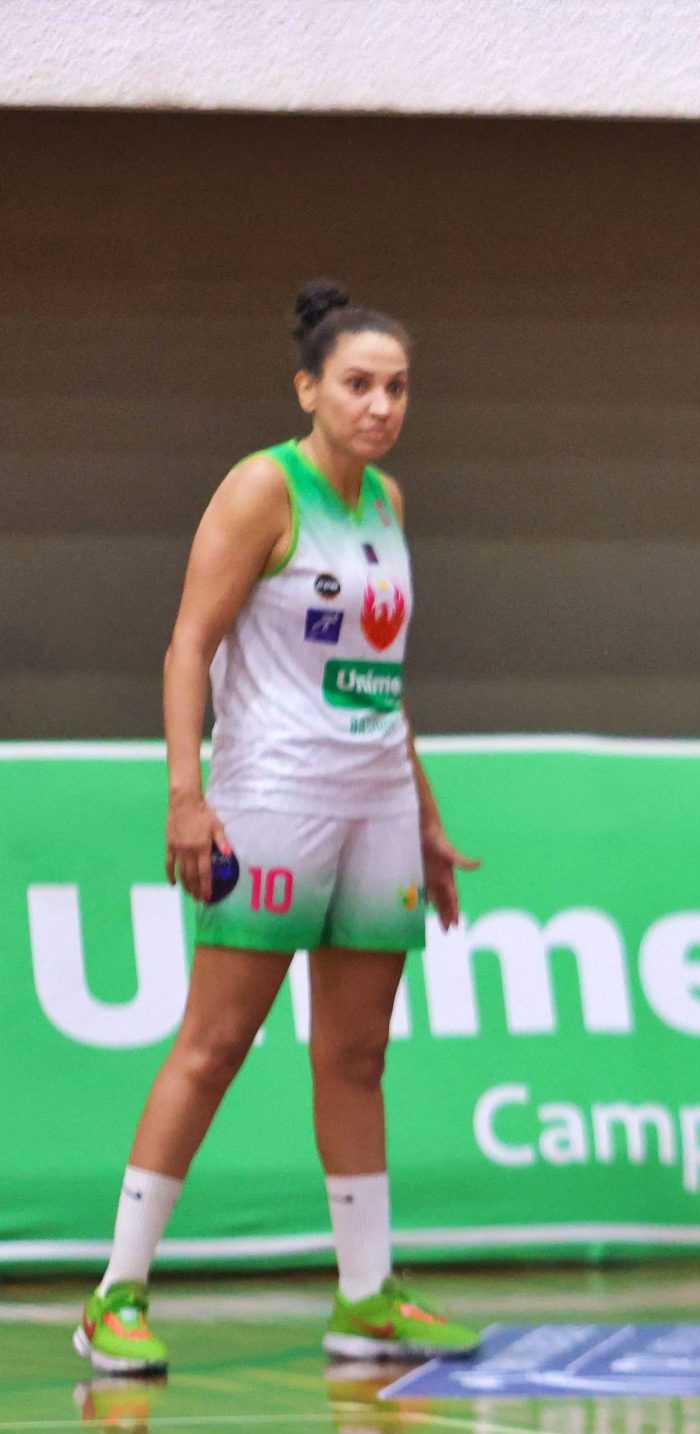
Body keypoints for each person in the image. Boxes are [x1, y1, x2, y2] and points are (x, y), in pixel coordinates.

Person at [75, 282, 483, 1376]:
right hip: (271, 799)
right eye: (358, 384)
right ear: (308, 389)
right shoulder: (263, 488)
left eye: (397, 387)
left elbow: (383, 681)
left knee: (356, 1055)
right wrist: (186, 792)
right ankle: (115, 1295)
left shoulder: (387, 502)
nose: (380, 405)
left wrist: (426, 819)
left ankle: (366, 1299)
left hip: (377, 805)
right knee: (214, 1045)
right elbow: (188, 644)